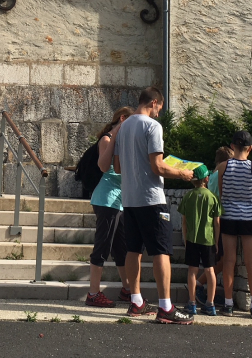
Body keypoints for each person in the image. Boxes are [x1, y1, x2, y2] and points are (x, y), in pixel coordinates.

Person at [113, 86, 195, 325]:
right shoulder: (152, 126)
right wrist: (182, 174)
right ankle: (166, 307)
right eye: (160, 107)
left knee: (133, 250)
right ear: (155, 102)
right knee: (161, 251)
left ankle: (136, 301)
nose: (159, 113)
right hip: (151, 198)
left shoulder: (123, 126)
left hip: (129, 199)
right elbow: (158, 167)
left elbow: (117, 168)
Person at [85, 106, 134, 307]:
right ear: (122, 119)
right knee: (103, 246)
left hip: (118, 202)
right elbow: (108, 169)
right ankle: (93, 293)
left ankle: (127, 289)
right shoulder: (107, 140)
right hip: (107, 200)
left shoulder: (120, 142)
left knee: (121, 248)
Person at [216, 130, 252, 319]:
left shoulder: (223, 167)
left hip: (228, 215)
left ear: (232, 146)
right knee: (251, 263)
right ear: (250, 148)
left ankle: (228, 304)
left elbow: (222, 192)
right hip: (248, 217)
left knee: (229, 261)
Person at [178, 164, 221, 316]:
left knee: (192, 271)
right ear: (206, 178)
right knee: (210, 271)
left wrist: (185, 239)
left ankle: (192, 303)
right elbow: (216, 222)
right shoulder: (212, 197)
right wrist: (216, 241)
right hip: (208, 239)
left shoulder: (188, 196)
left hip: (192, 239)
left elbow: (183, 221)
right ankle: (210, 303)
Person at [195, 145, 233, 304]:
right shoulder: (221, 175)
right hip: (221, 219)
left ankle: (205, 288)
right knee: (222, 261)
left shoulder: (211, 175)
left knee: (218, 260)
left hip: (211, 220)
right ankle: (198, 285)